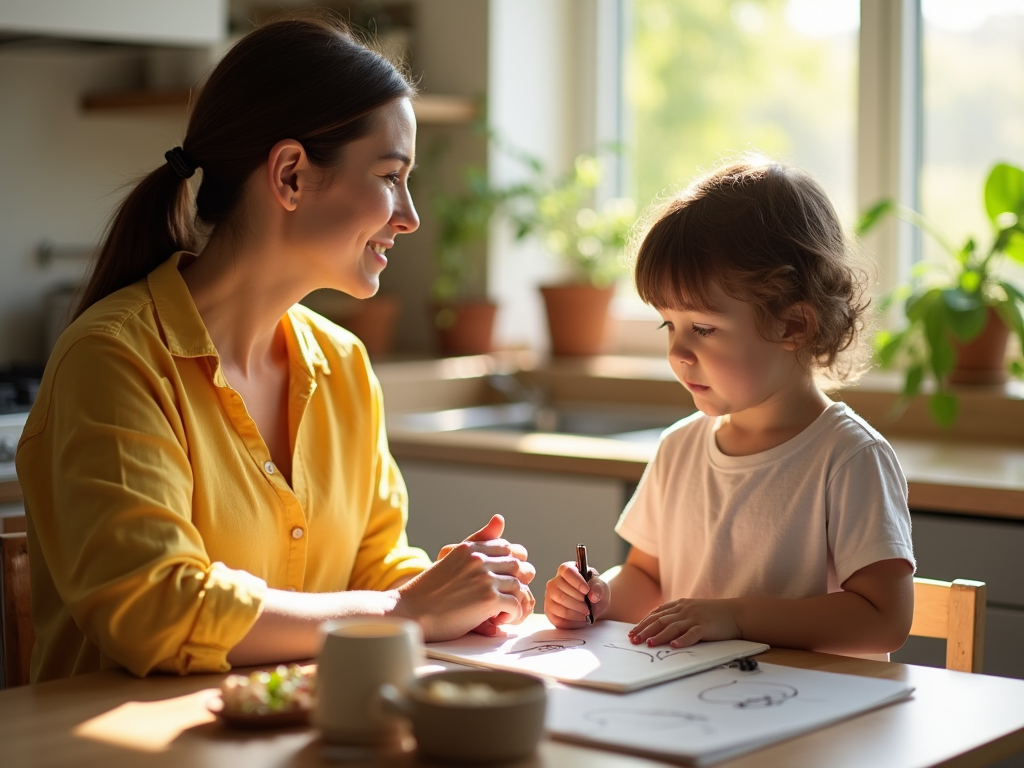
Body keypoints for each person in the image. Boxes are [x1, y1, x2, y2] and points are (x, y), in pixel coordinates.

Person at [16, 17, 534, 683]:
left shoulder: (343, 364)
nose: (410, 216)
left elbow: (375, 571)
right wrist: (407, 608)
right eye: (389, 175)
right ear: (290, 174)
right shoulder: (113, 360)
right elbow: (155, 607)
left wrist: (462, 595)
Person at [544, 159, 915, 657]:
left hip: (811, 715)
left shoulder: (848, 457)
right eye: (667, 326)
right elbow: (647, 577)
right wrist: (600, 597)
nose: (678, 352)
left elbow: (883, 620)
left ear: (793, 326)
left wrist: (736, 617)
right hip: (701, 710)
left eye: (703, 328)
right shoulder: (679, 447)